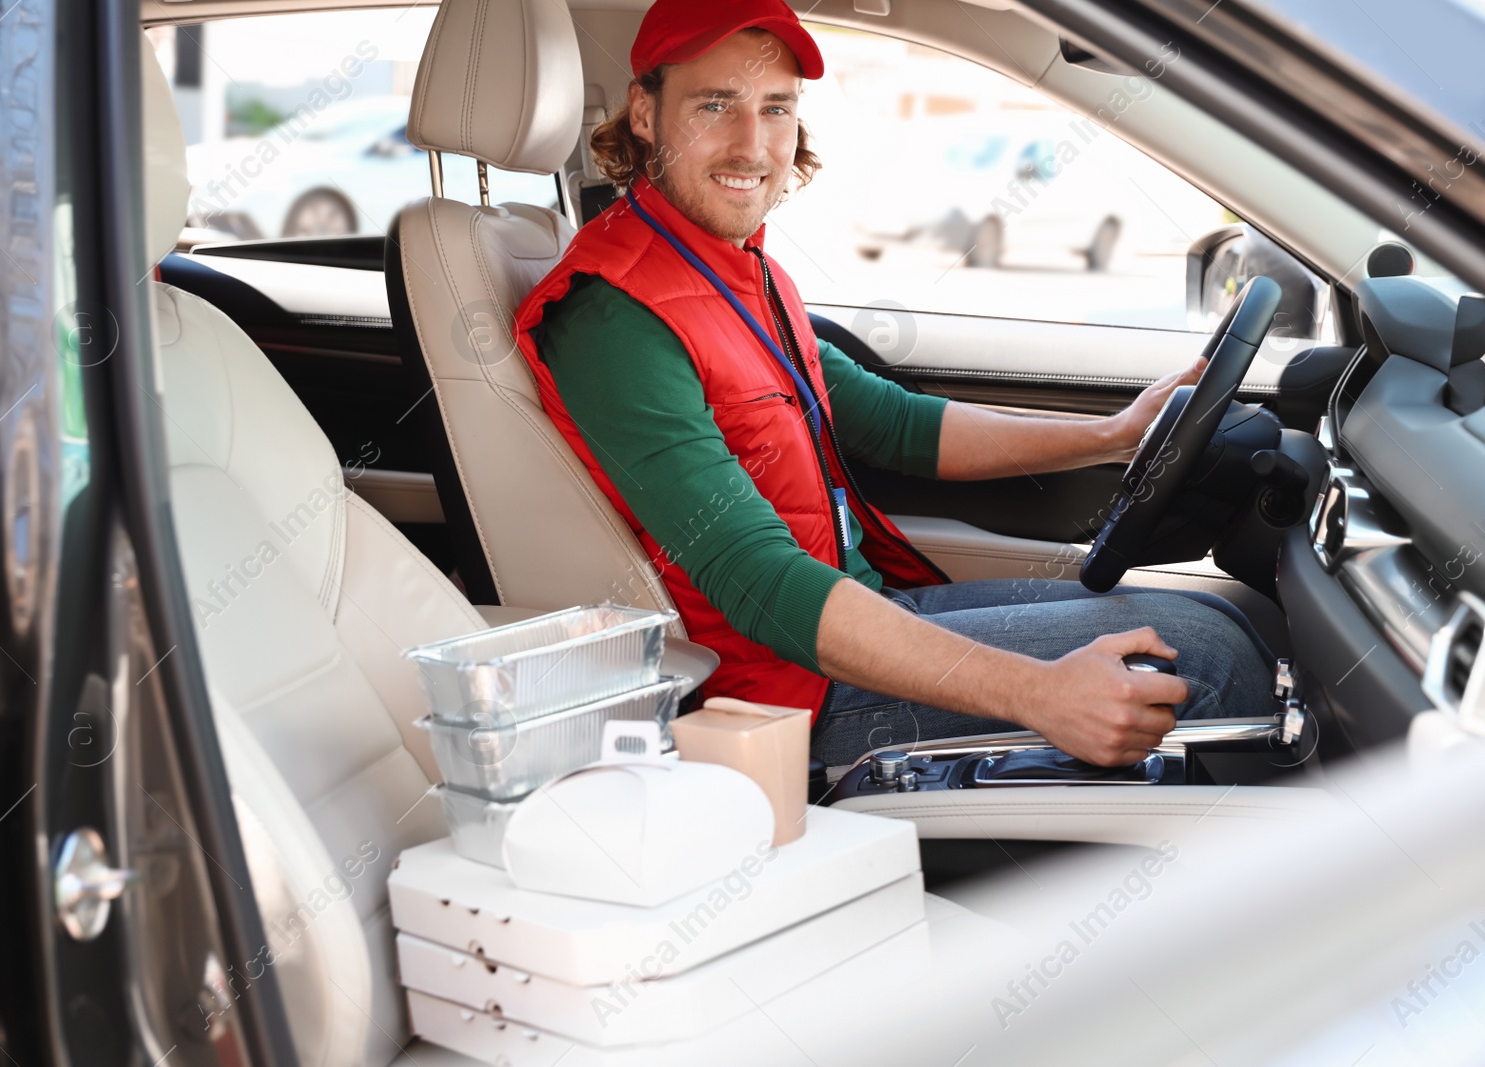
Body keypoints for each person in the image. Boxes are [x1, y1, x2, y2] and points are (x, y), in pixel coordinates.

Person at [513, 0, 1276, 770]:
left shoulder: (733, 268)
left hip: (854, 623)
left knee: (1210, 624)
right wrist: (1039, 691)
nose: (754, 144)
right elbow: (757, 581)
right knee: (1204, 657)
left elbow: (889, 423)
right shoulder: (616, 316)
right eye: (715, 105)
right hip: (785, 700)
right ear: (645, 114)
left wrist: (1113, 433)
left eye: (776, 108)